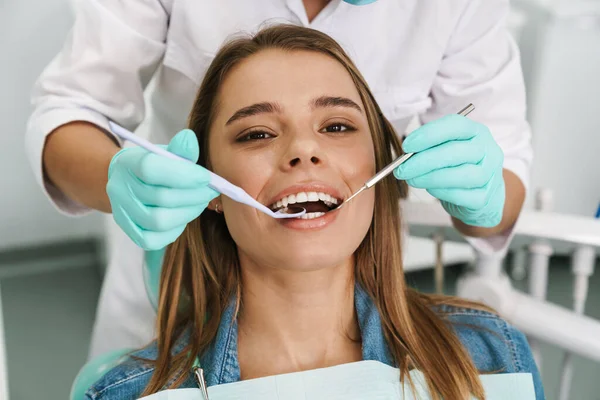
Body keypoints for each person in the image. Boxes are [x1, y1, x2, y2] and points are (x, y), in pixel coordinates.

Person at [26, 0, 531, 358]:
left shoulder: (492, 358)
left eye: (337, 126)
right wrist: (117, 178)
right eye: (256, 133)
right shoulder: (126, 387)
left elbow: (505, 171)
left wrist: (483, 198)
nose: (304, 150)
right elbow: (72, 106)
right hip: (172, 285)